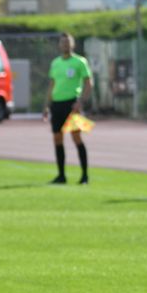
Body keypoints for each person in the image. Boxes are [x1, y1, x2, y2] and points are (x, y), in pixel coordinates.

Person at [43, 32, 93, 185]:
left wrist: (81, 101)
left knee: (76, 137)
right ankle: (61, 176)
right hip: (57, 104)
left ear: (72, 44)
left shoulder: (80, 62)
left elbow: (88, 83)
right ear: (59, 45)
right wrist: (47, 105)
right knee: (57, 138)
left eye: (67, 42)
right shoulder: (55, 63)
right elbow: (52, 85)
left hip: (72, 105)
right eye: (62, 42)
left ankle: (84, 176)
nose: (65, 45)